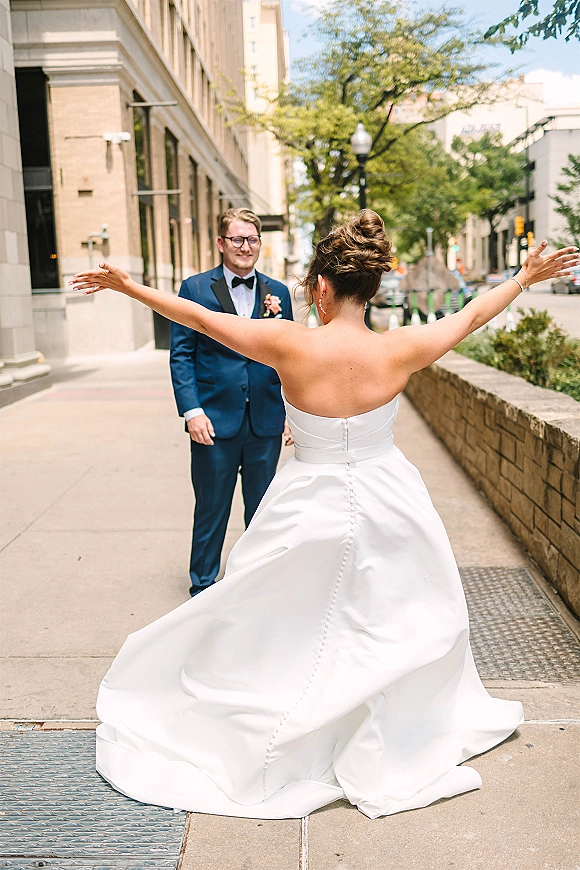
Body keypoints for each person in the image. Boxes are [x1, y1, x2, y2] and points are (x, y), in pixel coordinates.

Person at [71, 212, 578, 821]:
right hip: (390, 498)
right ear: (374, 288)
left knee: (282, 611)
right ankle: (384, 718)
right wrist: (522, 277)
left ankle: (297, 712)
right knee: (392, 617)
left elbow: (198, 318)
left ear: (320, 288)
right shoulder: (402, 348)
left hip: (307, 498)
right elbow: (471, 315)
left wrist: (126, 286)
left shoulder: (290, 343)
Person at [169, 207, 294, 597]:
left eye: (252, 239)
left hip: (265, 422)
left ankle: (255, 586)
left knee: (262, 513)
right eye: (237, 239)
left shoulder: (279, 292)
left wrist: (292, 413)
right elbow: (181, 354)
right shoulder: (194, 289)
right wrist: (192, 411)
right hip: (212, 421)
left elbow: (288, 356)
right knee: (211, 508)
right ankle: (202, 588)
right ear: (221, 243)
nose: (245, 247)